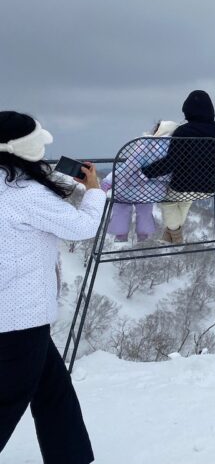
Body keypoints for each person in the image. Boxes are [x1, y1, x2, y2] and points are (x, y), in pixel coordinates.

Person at [0, 111, 103, 464]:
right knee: (8, 401)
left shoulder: (12, 183)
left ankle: (71, 457)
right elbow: (83, 227)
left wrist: (65, 179)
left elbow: (30, 180)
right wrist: (94, 191)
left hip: (19, 318)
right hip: (18, 321)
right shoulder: (25, 194)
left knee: (53, 391)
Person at [142, 90, 215, 244]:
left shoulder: (183, 131)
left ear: (187, 111)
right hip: (211, 185)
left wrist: (146, 172)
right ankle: (169, 236)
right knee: (186, 198)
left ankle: (176, 235)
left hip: (183, 186)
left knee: (168, 202)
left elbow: (170, 163)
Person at [100, 120, 179, 242]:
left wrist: (108, 181)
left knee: (122, 205)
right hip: (155, 193)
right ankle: (143, 234)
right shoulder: (177, 149)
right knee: (145, 208)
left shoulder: (147, 144)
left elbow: (128, 167)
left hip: (131, 188)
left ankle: (121, 235)